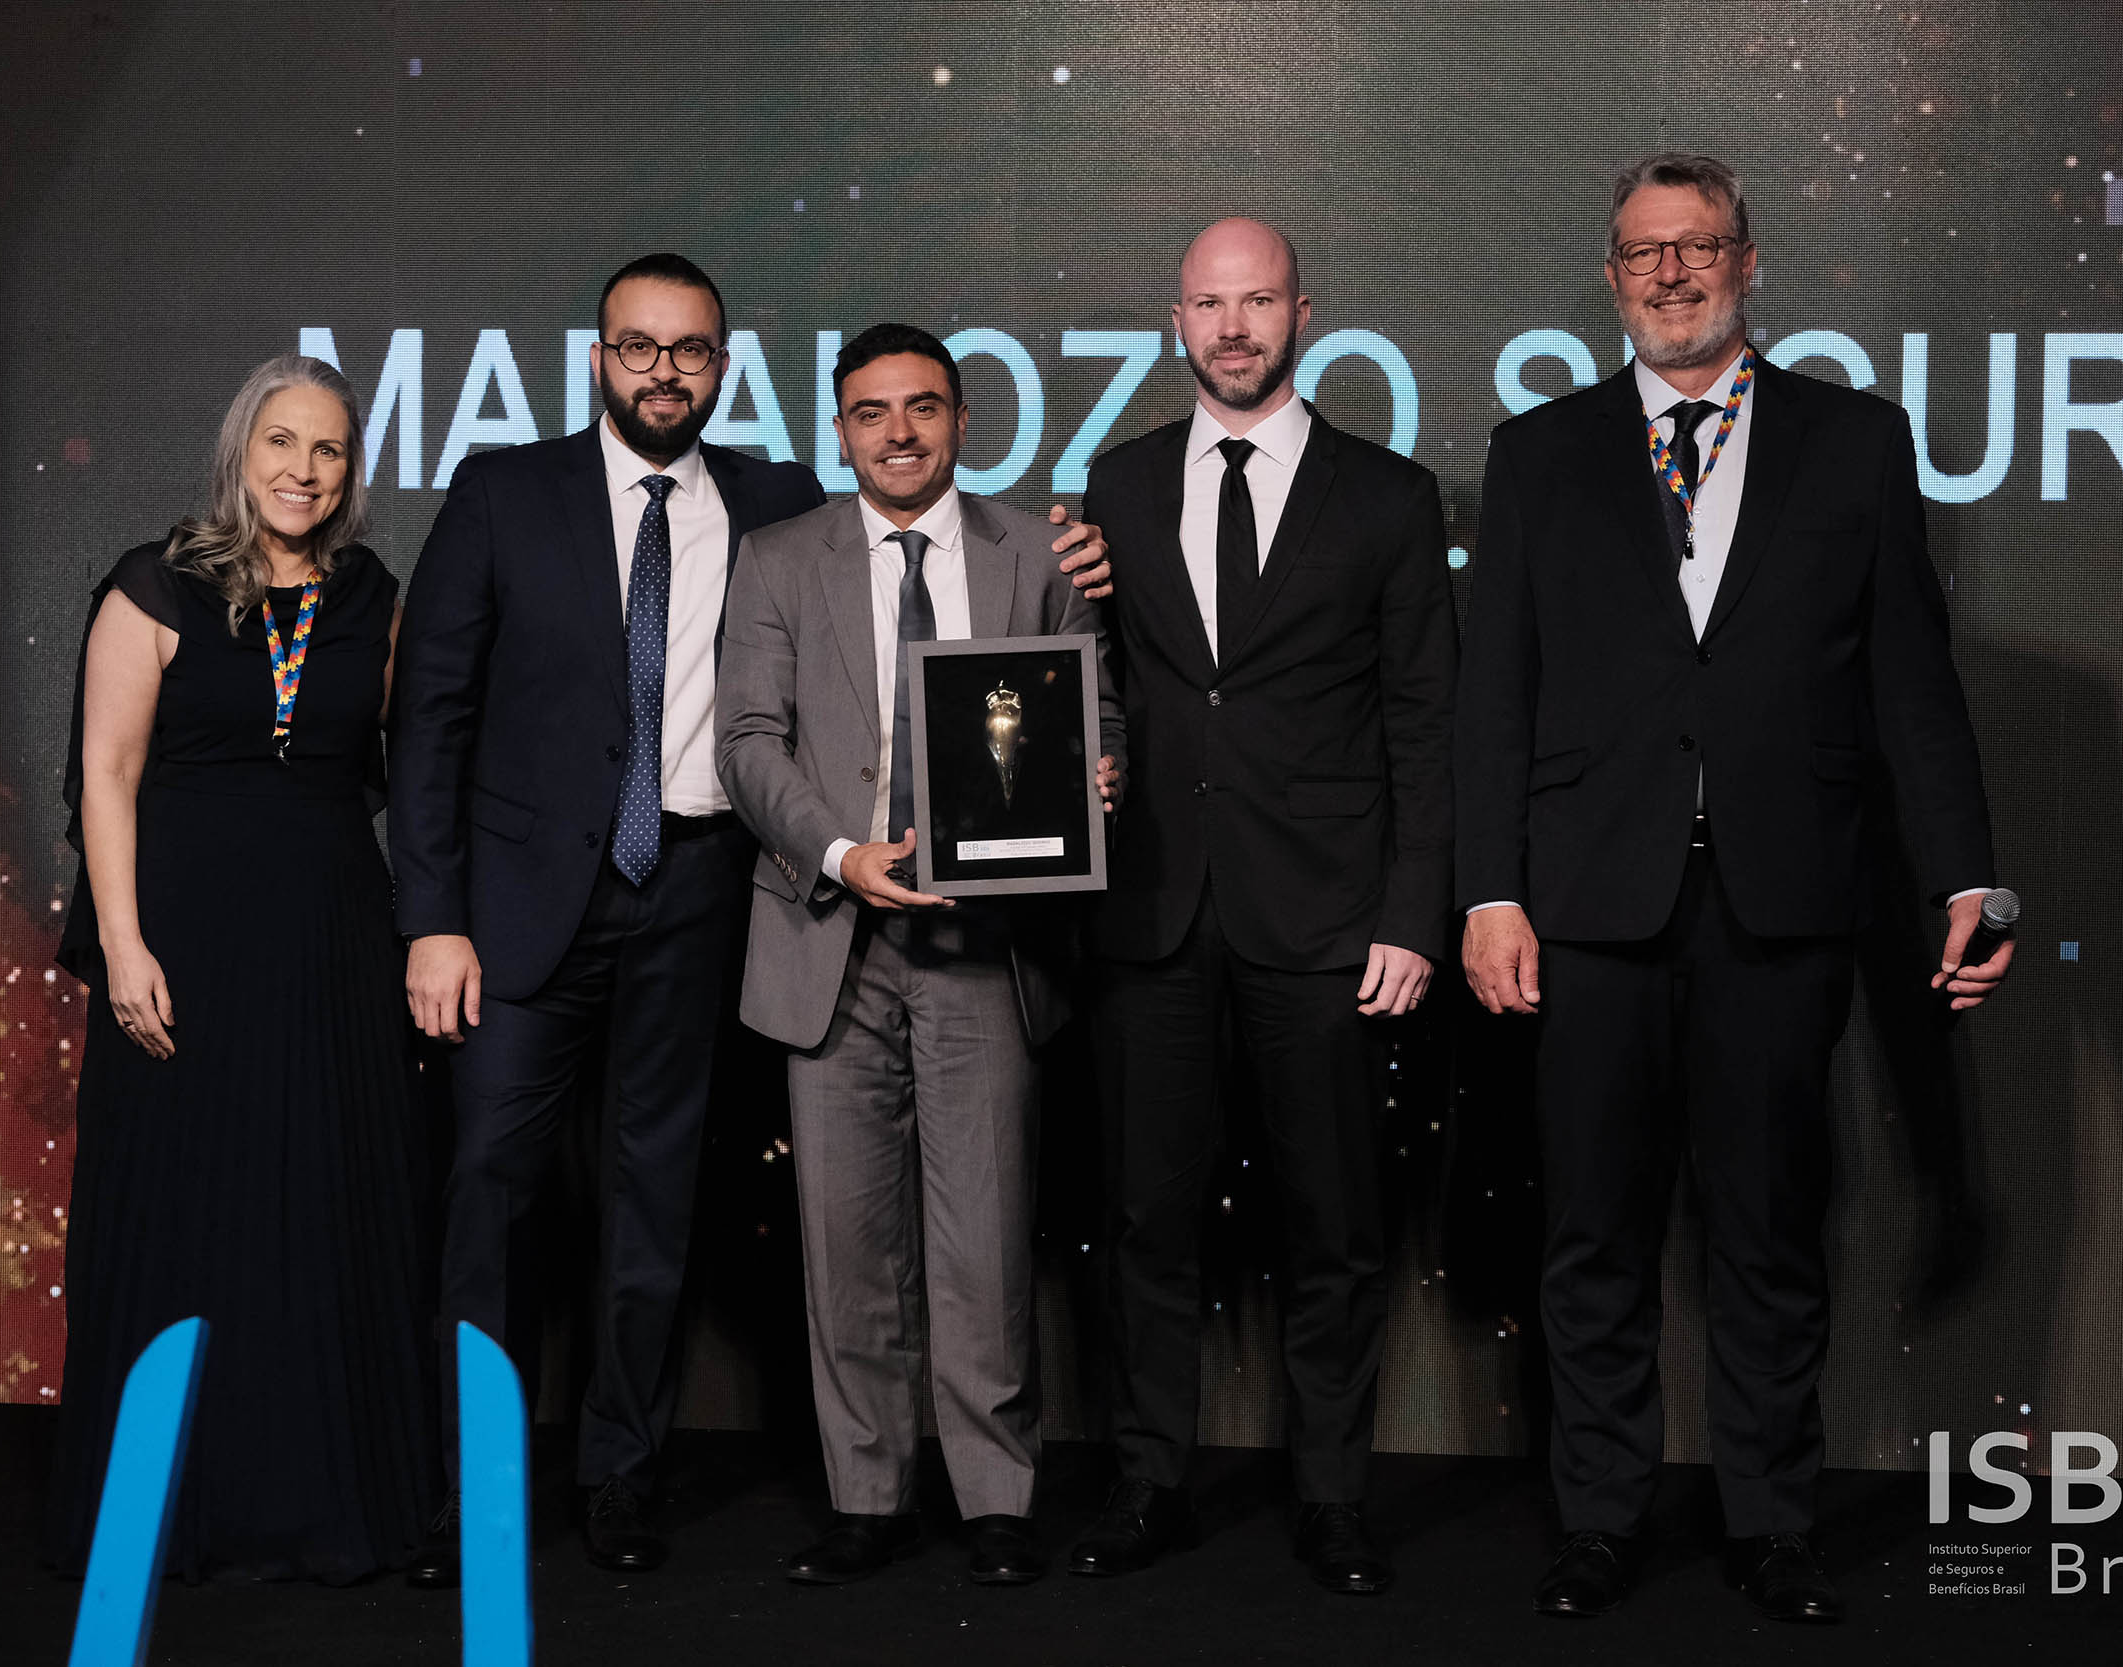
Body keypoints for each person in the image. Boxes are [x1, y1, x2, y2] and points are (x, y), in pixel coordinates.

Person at [390, 256, 1115, 1584]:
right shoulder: (505, 493)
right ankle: (465, 1491)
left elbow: (1023, 634)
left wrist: (1077, 604)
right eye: (639, 345)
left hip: (699, 895)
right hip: (526, 909)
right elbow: (430, 715)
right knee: (491, 1190)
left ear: (723, 368)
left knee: (655, 1202)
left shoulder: (773, 501)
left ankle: (620, 1475)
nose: (664, 370)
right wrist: (431, 916)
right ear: (599, 356)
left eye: (691, 350)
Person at [1454, 153, 2012, 1624]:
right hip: (1587, 905)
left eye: (1698, 246)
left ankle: (1772, 1520)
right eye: (1645, 252)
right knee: (1592, 1234)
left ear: (1747, 263)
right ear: (1612, 275)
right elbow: (1493, 695)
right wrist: (1488, 891)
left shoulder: (1855, 440)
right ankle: (1598, 1517)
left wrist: (1966, 874)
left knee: (1768, 1229)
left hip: (1782, 898)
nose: (1672, 273)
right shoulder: (1540, 451)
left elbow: (1913, 685)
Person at [1072, 219, 1457, 1595]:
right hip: (1152, 910)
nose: (1232, 326)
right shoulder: (1113, 487)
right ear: (1175, 320)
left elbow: (1426, 721)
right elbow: (1093, 681)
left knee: (1333, 1224)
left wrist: (1413, 912)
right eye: (1208, 303)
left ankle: (1334, 1494)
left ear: (1304, 312)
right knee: (1145, 1219)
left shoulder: (1391, 497)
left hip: (1331, 918)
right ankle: (1146, 1481)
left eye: (1257, 301)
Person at [716, 323, 1122, 1587]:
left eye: (924, 407)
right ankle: (867, 1496)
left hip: (986, 944)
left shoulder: (1035, 554)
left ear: (961, 420)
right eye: (872, 411)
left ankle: (997, 1498)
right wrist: (842, 854)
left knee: (984, 1238)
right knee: (846, 1240)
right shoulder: (779, 558)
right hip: (829, 933)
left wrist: (1101, 768)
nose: (899, 432)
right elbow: (747, 740)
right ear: (839, 430)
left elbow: (1095, 707)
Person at [46, 355, 435, 1581]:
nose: (301, 470)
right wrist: (122, 946)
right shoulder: (152, 582)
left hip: (330, 947)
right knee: (184, 1206)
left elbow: (405, 762)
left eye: (327, 449)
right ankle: (167, 1510)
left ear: (351, 470)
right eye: (281, 441)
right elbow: (106, 774)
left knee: (318, 1210)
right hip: (180, 944)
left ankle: (316, 1505)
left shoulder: (371, 595)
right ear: (239, 450)